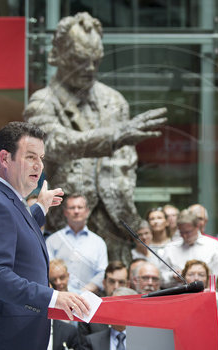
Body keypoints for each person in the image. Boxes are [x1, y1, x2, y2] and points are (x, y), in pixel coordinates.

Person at [23, 12, 167, 264]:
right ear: (57, 55)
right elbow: (55, 143)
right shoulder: (42, 101)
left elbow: (125, 166)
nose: (90, 69)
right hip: (65, 223)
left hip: (115, 224)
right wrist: (112, 136)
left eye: (95, 61)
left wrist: (129, 217)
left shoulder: (115, 101)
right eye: (80, 60)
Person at [0, 122, 90, 350]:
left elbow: (14, 232)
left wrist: (40, 208)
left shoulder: (0, 198)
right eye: (30, 157)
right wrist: (54, 297)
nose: (39, 165)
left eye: (41, 157)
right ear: (5, 158)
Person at [47, 193, 108, 294]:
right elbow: (47, 271)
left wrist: (81, 293)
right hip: (59, 298)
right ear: (65, 212)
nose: (76, 211)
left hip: (88, 299)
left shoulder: (98, 242)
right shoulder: (52, 240)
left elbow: (102, 273)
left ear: (87, 211)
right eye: (72, 208)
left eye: (80, 207)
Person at [160, 210, 218, 287]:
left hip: (207, 294)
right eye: (181, 232)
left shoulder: (214, 246)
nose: (185, 236)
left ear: (197, 226)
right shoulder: (170, 248)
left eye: (188, 232)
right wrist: (172, 276)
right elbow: (160, 278)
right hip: (178, 295)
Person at [181, 259, 218, 350]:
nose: (196, 278)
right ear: (183, 279)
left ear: (208, 280)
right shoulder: (177, 305)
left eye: (201, 275)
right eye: (191, 274)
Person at [47, 260, 80, 350]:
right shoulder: (46, 302)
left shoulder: (80, 298)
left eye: (62, 277)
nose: (58, 282)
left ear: (68, 276)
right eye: (53, 279)